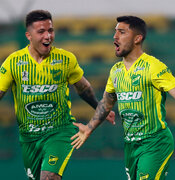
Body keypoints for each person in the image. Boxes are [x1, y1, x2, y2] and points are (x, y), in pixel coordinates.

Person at [71, 16, 175, 180]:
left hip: (154, 143)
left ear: (137, 38)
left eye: (121, 32)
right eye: (115, 32)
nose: (115, 37)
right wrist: (89, 128)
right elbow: (107, 103)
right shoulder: (116, 71)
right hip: (130, 145)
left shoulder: (153, 66)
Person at [0, 10, 115, 180]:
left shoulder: (65, 59)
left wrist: (99, 106)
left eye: (50, 30)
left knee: (49, 177)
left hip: (59, 132)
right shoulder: (13, 62)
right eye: (41, 32)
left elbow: (83, 87)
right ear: (28, 35)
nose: (48, 36)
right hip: (29, 138)